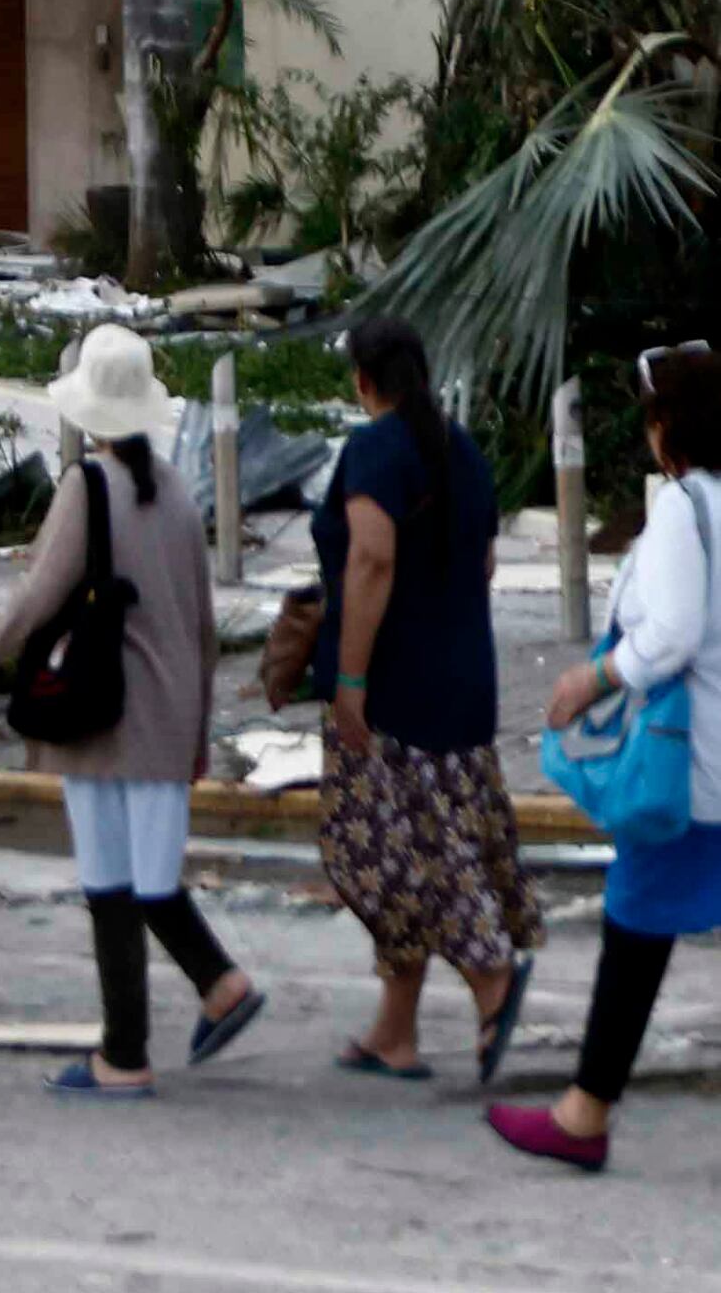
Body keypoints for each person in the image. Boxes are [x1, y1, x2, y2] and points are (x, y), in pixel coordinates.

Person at [489, 337, 721, 1181]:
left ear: (668, 425)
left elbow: (675, 632)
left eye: (651, 418)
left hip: (690, 773)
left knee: (635, 930)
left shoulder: (687, 507)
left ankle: (585, 1116)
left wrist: (594, 677)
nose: (647, 434)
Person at [0, 320, 258, 1096]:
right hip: (172, 711)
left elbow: (37, 597)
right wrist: (202, 726)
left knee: (110, 881)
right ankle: (207, 994)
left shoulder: (86, 489)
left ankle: (133, 1049)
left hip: (104, 711)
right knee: (148, 878)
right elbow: (207, 629)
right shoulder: (178, 492)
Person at [290, 311, 536, 1088]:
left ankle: (489, 979)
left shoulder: (373, 450)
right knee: (432, 841)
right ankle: (395, 1033)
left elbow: (370, 561)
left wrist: (352, 681)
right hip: (464, 681)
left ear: (364, 382)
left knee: (376, 857)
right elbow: (486, 561)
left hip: (393, 690)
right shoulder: (462, 451)